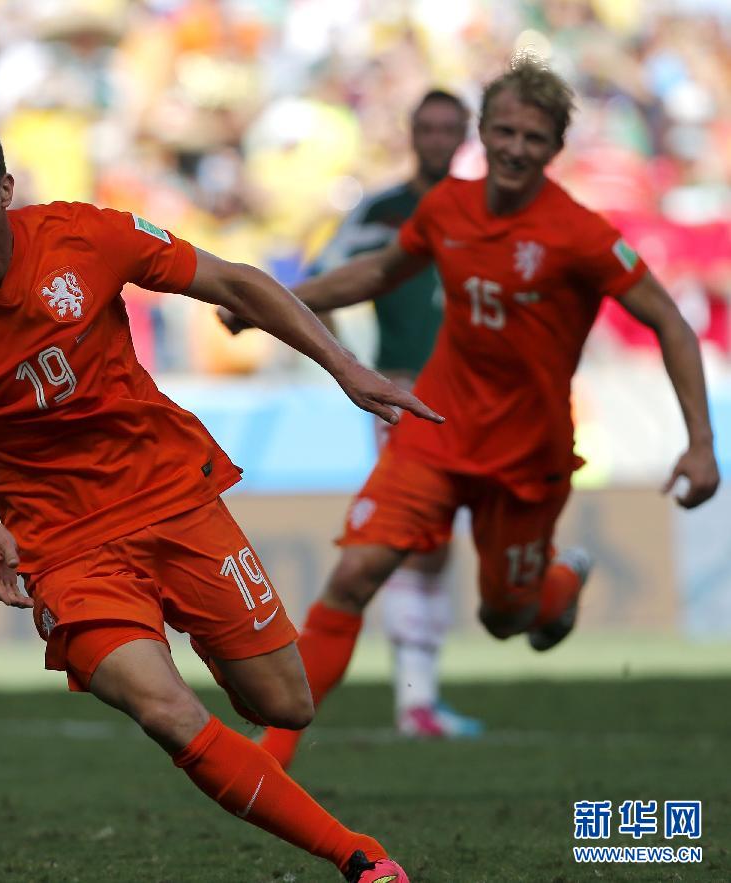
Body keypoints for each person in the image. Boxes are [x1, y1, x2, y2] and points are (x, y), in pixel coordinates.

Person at [0, 102, 443, 883]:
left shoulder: (85, 235)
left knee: (286, 702)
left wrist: (346, 368)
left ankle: (204, 627)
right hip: (64, 545)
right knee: (169, 711)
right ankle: (363, 859)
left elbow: (237, 283)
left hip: (171, 497)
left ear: (3, 186)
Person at [221, 55, 719, 770]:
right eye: (506, 130)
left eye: (535, 137)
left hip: (527, 453)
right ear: (482, 132)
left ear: (555, 149)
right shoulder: (446, 207)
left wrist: (699, 443)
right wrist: (275, 307)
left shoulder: (577, 233)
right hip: (435, 426)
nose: (517, 147)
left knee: (505, 615)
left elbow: (670, 321)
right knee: (356, 571)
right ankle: (271, 756)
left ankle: (561, 581)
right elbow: (379, 271)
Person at [311, 89, 483, 739]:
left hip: (480, 397)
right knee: (416, 540)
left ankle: (421, 701)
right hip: (408, 395)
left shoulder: (484, 207)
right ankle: (416, 703)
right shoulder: (381, 210)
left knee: (441, 547)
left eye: (449, 127)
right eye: (428, 127)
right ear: (412, 133)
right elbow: (317, 280)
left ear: (464, 133)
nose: (438, 138)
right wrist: (351, 363)